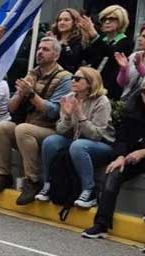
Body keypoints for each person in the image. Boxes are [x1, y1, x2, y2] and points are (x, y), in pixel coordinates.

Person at [0, 36, 72, 205]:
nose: (39, 52)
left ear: (56, 55)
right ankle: (3, 174)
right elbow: (11, 108)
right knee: (3, 127)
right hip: (31, 124)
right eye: (39, 48)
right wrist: (20, 93)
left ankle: (33, 181)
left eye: (45, 49)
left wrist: (31, 94)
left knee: (23, 129)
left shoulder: (65, 78)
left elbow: (53, 112)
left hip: (52, 128)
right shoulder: (32, 73)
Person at [82, 73, 145, 239]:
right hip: (132, 156)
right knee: (113, 172)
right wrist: (120, 156)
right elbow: (121, 137)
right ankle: (101, 224)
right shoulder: (132, 109)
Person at [35, 66, 114, 207]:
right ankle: (48, 184)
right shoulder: (69, 98)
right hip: (77, 141)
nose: (73, 81)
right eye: (72, 78)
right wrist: (67, 117)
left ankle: (89, 191)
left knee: (78, 145)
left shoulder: (102, 101)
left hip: (102, 146)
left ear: (89, 82)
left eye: (77, 79)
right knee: (50, 141)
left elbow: (97, 136)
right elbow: (60, 130)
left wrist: (80, 115)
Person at [79, 5, 132, 100]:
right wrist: (85, 37)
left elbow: (112, 54)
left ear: (121, 21)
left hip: (111, 89)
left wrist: (95, 36)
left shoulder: (126, 41)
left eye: (112, 19)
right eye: (104, 19)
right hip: (93, 85)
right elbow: (87, 57)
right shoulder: (102, 39)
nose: (107, 22)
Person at [115, 24, 145, 101]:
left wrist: (139, 66)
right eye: (140, 36)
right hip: (126, 102)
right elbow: (122, 83)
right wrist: (123, 68)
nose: (139, 39)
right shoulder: (134, 55)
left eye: (144, 36)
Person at [49, 8, 89, 74]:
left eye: (66, 20)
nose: (62, 22)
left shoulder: (80, 43)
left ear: (74, 22)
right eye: (59, 20)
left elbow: (73, 61)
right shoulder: (51, 39)